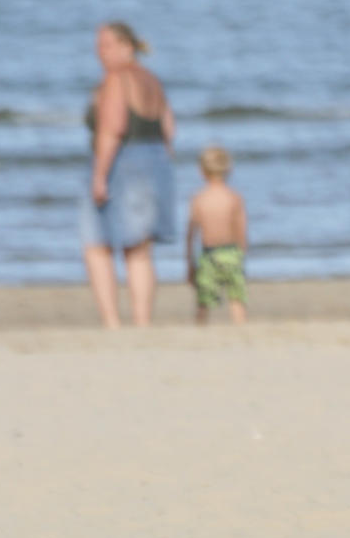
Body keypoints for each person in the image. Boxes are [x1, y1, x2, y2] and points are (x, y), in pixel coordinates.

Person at [81, 22, 176, 328]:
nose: (101, 52)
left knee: (97, 244)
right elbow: (169, 130)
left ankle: (112, 322)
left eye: (107, 45)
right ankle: (142, 321)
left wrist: (99, 176)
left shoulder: (116, 79)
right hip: (155, 160)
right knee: (139, 251)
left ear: (127, 46)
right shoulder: (152, 80)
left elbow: (113, 128)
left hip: (123, 163)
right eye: (98, 46)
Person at [186, 146, 248, 324]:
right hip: (231, 253)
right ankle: (240, 325)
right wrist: (242, 253)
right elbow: (241, 230)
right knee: (237, 297)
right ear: (229, 169)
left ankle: (201, 326)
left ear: (201, 171)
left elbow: (191, 234)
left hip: (209, 255)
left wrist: (190, 261)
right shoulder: (234, 197)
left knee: (203, 300)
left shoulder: (199, 198)